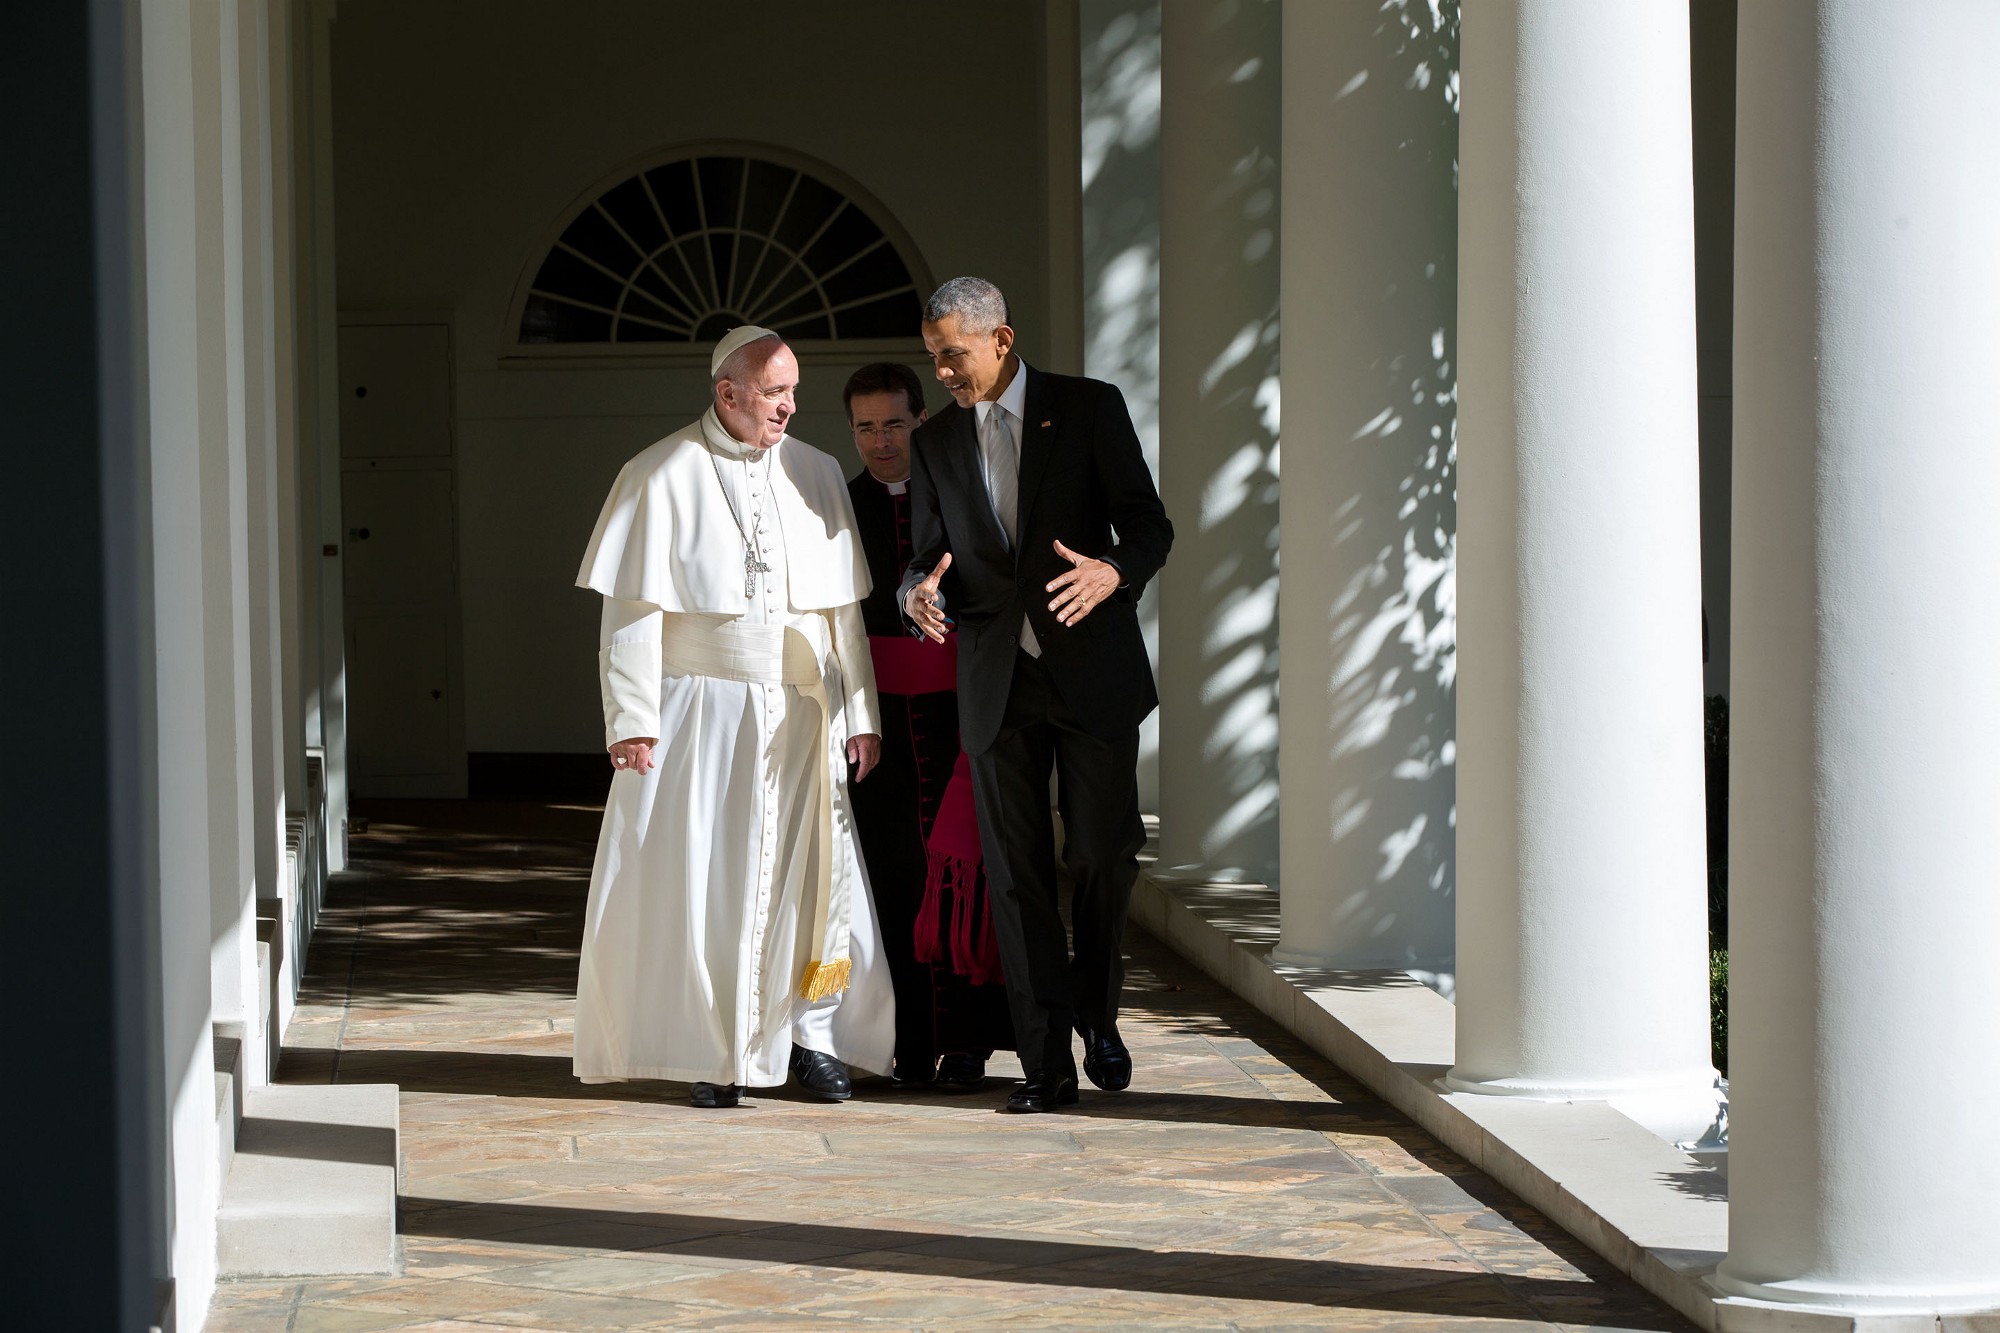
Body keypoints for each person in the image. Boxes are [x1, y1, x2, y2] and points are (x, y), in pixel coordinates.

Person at [572, 325, 894, 1108]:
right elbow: (631, 611)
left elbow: (841, 616)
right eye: (777, 391)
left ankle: (810, 1037)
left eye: (793, 391)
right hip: (700, 713)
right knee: (709, 880)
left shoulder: (816, 473)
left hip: (802, 712)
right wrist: (632, 717)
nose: (791, 406)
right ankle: (714, 1049)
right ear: (729, 392)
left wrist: (860, 713)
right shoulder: (660, 472)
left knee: (814, 880)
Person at [899, 278, 1173, 1113]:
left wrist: (1115, 570)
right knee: (1015, 877)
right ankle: (1045, 1061)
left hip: (1090, 670)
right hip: (995, 682)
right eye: (934, 355)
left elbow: (1149, 525)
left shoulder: (1089, 408)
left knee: (1098, 855)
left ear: (1002, 341)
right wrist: (916, 592)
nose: (943, 370)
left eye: (954, 352)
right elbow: (927, 553)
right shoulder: (936, 440)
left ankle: (1098, 1014)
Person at [842, 362, 1015, 1091]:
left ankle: (970, 1041)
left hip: (956, 718)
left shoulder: (957, 490)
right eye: (865, 427)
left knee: (965, 877)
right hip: (875, 724)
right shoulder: (838, 504)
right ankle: (904, 1042)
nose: (881, 442)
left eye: (893, 423)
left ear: (920, 420)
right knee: (892, 883)